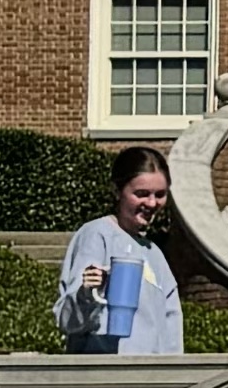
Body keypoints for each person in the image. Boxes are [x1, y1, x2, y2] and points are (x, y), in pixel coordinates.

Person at [55, 144, 184, 353]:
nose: (152, 203)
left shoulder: (154, 254)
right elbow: (67, 320)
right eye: (141, 193)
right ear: (117, 190)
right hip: (104, 378)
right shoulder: (97, 235)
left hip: (150, 380)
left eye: (160, 194)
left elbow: (172, 327)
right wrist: (86, 294)